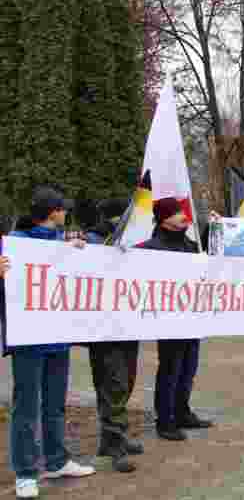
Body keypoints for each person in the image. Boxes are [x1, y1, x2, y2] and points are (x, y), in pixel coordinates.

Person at [3, 187, 96, 500]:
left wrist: (77, 250)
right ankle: (26, 473)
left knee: (55, 404)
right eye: (62, 208)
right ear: (52, 211)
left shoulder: (59, 244)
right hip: (29, 341)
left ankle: (56, 461)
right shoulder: (16, 244)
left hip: (57, 338)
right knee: (26, 407)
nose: (66, 212)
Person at [139, 198, 213, 440]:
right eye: (177, 212)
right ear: (164, 219)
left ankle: (182, 412)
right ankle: (165, 420)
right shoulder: (151, 248)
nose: (183, 215)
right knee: (171, 369)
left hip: (191, 318)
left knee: (188, 368)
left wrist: (213, 229)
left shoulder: (190, 245)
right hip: (168, 320)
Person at [84, 198, 142, 473]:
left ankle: (111, 438)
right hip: (103, 328)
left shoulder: (131, 242)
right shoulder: (93, 241)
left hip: (127, 324)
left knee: (126, 381)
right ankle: (114, 441)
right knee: (112, 383)